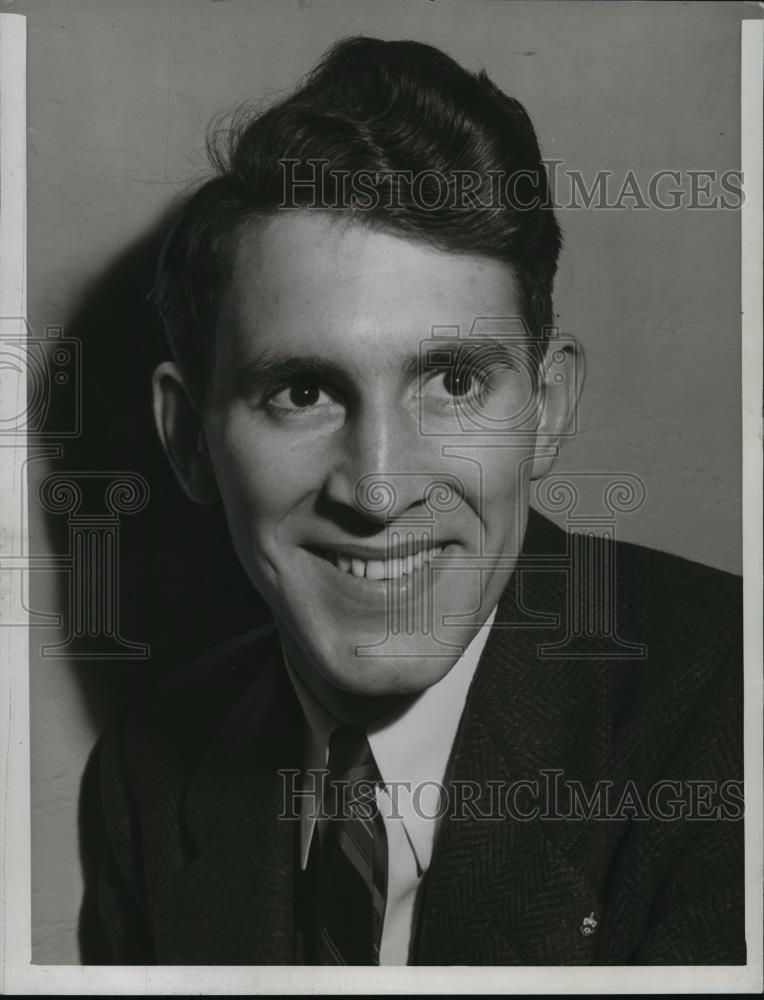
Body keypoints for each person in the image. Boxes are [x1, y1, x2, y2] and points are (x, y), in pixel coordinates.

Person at [80, 36, 745, 966]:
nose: (380, 488)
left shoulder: (731, 714)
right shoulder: (144, 776)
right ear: (190, 441)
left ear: (546, 411)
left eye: (453, 382)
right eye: (303, 392)